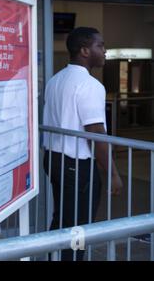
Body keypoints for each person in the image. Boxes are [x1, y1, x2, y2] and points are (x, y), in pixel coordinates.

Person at [43, 27, 123, 261]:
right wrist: (113, 174)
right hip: (76, 166)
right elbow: (96, 134)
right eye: (101, 46)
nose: (105, 51)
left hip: (54, 159)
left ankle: (53, 257)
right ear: (85, 50)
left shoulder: (55, 80)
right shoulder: (90, 86)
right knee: (78, 228)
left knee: (62, 220)